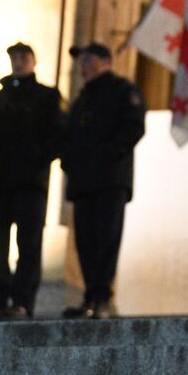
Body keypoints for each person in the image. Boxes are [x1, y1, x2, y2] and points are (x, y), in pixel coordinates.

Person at [0, 42, 65, 319]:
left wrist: (35, 160)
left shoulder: (48, 97)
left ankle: (22, 302)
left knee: (29, 246)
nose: (18, 61)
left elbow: (57, 136)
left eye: (23, 57)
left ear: (33, 61)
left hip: (29, 185)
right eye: (14, 57)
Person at [61, 42, 146, 319]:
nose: (82, 65)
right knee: (85, 241)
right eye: (81, 60)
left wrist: (108, 154)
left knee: (106, 237)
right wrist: (69, 162)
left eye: (88, 59)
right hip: (83, 182)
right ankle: (90, 296)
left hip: (110, 180)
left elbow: (133, 127)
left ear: (105, 61)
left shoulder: (122, 91)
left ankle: (102, 298)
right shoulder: (82, 99)